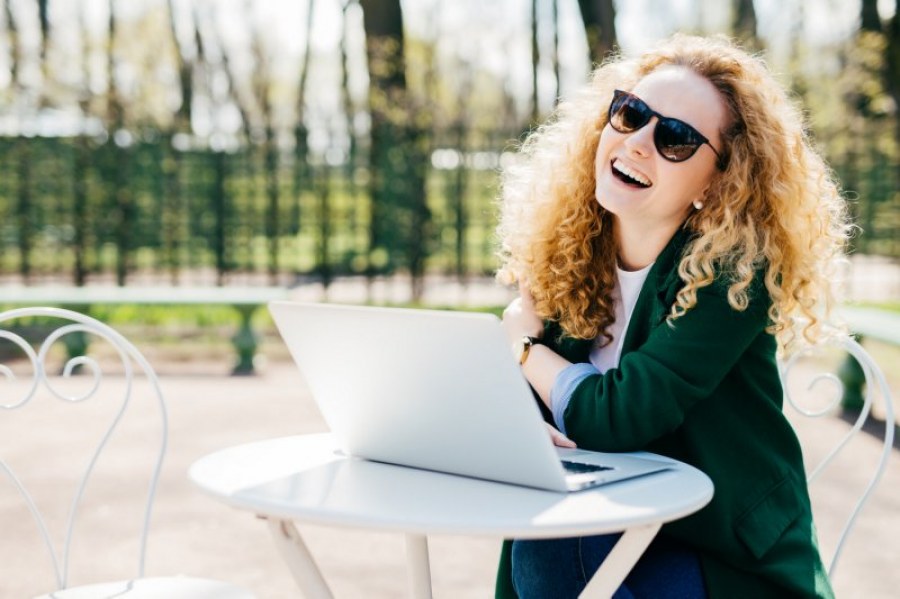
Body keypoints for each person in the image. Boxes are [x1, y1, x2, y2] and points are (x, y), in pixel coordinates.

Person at [495, 34, 849, 599]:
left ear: (720, 178)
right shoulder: (567, 256)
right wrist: (514, 422)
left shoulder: (733, 275)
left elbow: (617, 417)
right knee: (548, 532)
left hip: (715, 552)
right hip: (606, 522)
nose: (636, 142)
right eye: (630, 113)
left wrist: (523, 349)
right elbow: (543, 413)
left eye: (676, 139)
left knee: (550, 540)